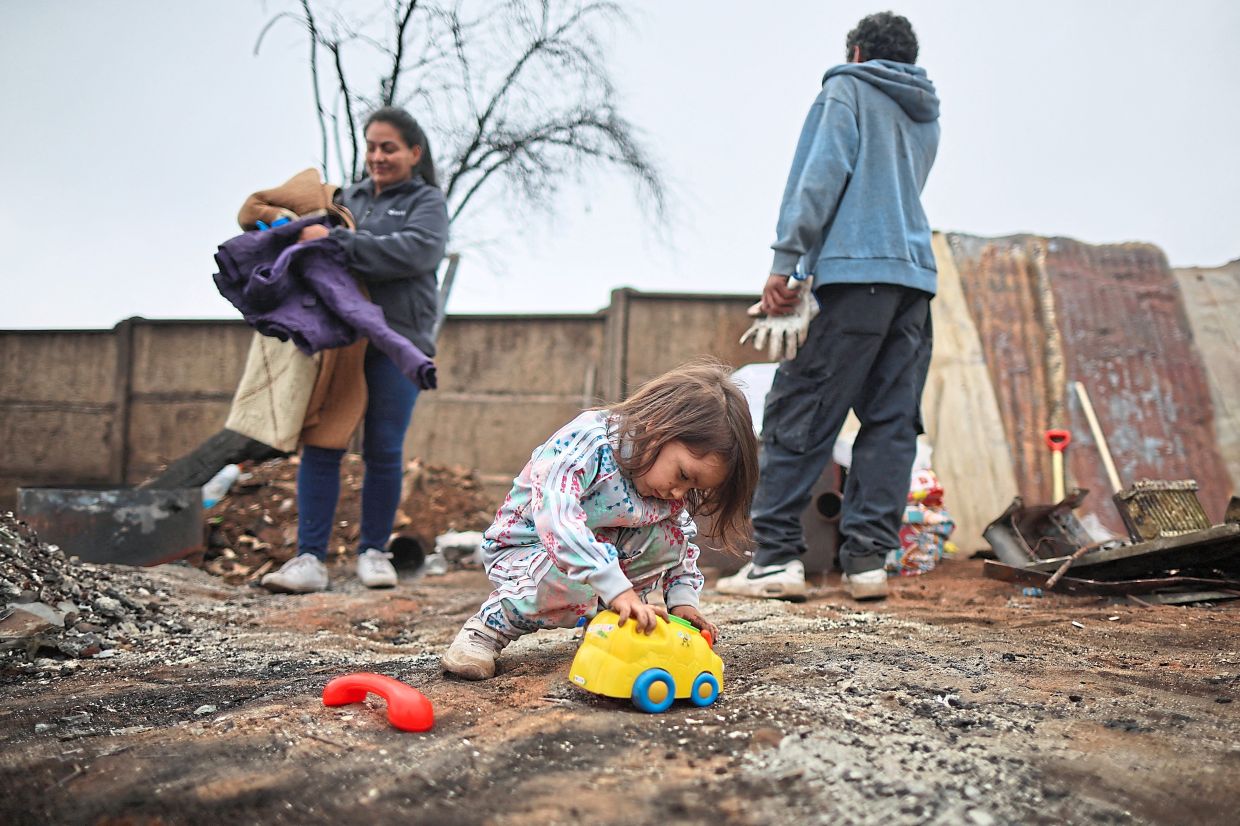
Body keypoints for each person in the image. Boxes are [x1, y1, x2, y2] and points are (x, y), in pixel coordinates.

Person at [717, 12, 940, 602]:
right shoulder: (924, 109)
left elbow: (820, 177)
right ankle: (867, 562)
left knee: (800, 408)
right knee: (892, 421)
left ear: (858, 52)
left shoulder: (848, 88)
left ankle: (777, 559)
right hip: (914, 282)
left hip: (854, 278)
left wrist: (786, 263)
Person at [441, 360, 759, 680]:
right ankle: (487, 629)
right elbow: (558, 520)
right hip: (529, 550)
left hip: (600, 560)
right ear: (658, 428)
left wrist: (682, 603)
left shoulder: (664, 490)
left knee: (668, 535)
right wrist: (617, 588)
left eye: (693, 488)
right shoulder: (587, 443)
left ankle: (608, 624)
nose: (679, 492)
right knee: (571, 579)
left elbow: (680, 544)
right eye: (683, 475)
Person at [261, 107, 449, 593]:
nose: (378, 156)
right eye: (371, 146)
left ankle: (373, 552)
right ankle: (308, 559)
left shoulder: (427, 202)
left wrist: (341, 243)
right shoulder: (349, 199)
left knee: (384, 449)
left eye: (389, 147)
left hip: (400, 340)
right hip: (340, 340)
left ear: (414, 152)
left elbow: (417, 251)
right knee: (322, 444)